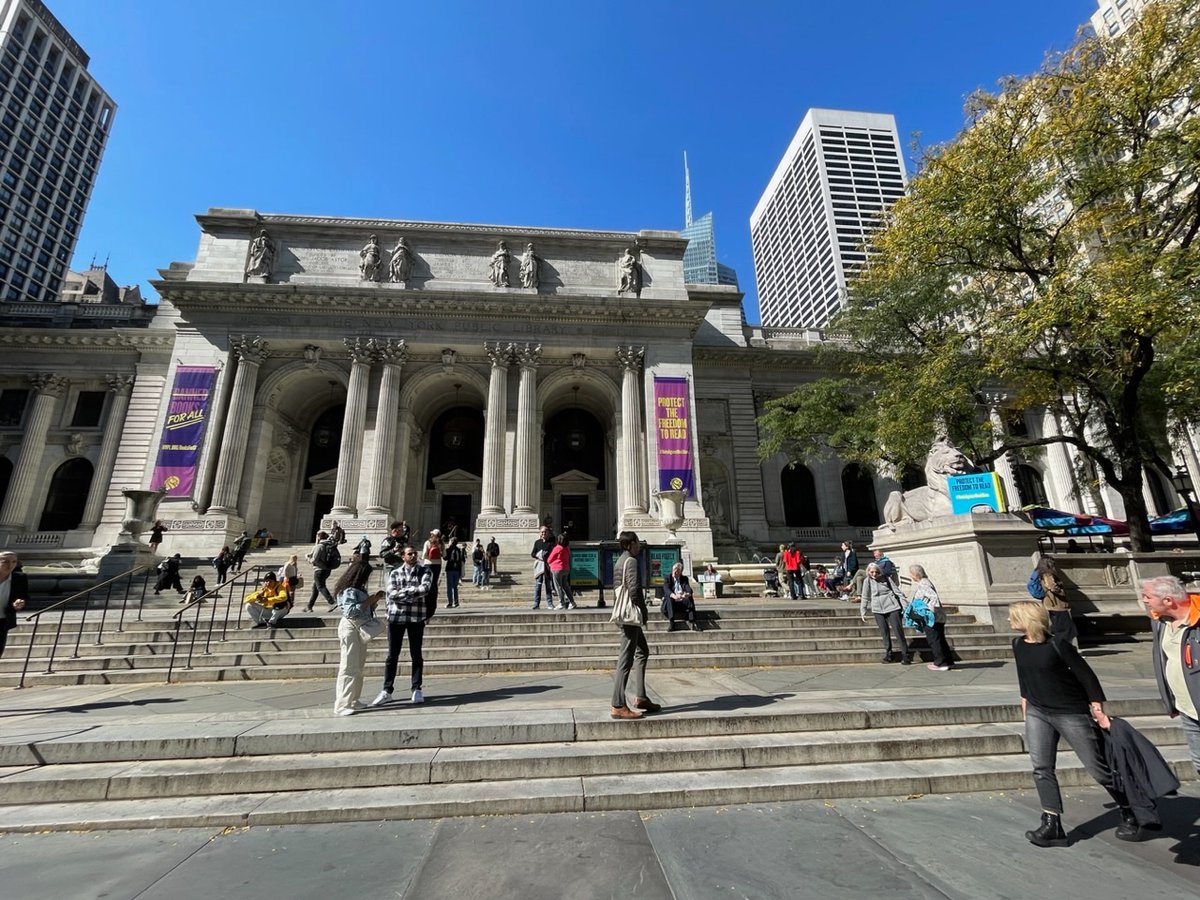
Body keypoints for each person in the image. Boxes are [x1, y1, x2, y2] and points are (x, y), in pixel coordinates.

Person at [1008, 600, 1146, 846]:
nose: (1009, 621)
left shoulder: (1057, 645)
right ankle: (1052, 822)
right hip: (1038, 711)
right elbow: (1023, 673)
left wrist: (1098, 708)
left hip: (1070, 712)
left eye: (1012, 617)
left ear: (1025, 619)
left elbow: (1086, 675)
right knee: (1041, 767)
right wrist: (1025, 699)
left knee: (1098, 769)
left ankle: (1129, 807)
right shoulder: (1018, 644)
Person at [1139, 575, 1200, 777]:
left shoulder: (1196, 621)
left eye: (1147, 596)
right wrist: (1170, 700)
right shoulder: (1161, 622)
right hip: (1186, 708)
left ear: (1168, 600)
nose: (1144, 600)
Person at [371, 546, 433, 706]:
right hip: (396, 618)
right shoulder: (395, 573)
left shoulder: (425, 572)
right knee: (392, 655)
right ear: (403, 556)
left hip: (415, 618)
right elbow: (391, 594)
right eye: (409, 553)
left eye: (415, 553)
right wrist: (413, 592)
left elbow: (425, 589)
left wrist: (403, 594)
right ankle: (386, 690)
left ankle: (417, 688)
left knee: (416, 654)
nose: (413, 556)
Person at [611, 531, 657, 719]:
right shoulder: (631, 561)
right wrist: (642, 611)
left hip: (624, 613)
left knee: (642, 651)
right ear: (630, 544)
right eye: (637, 542)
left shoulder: (620, 560)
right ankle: (618, 704)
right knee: (626, 659)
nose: (639, 546)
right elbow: (634, 589)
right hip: (631, 615)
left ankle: (641, 697)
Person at [332, 557, 385, 716]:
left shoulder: (358, 589)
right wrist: (369, 600)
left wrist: (373, 601)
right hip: (351, 627)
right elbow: (350, 611)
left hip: (359, 626)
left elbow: (364, 608)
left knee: (358, 665)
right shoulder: (349, 590)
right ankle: (342, 704)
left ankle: (353, 699)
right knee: (348, 666)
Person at [860, 562, 911, 664]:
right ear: (868, 572)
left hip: (892, 607)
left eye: (876, 572)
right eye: (872, 572)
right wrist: (863, 610)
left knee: (898, 631)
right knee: (884, 632)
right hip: (878, 609)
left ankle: (905, 654)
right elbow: (865, 596)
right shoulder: (867, 581)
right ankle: (889, 654)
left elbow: (897, 592)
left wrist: (905, 605)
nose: (874, 574)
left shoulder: (886, 578)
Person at [906, 564, 953, 670]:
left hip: (932, 618)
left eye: (911, 574)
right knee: (940, 639)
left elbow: (933, 598)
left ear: (915, 574)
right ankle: (948, 661)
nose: (910, 576)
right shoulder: (926, 582)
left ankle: (940, 663)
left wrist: (929, 611)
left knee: (934, 640)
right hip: (938, 617)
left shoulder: (924, 584)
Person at [1030, 556, 1078, 646]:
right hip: (1056, 604)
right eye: (1052, 562)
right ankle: (1063, 647)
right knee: (1066, 629)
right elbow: (1051, 586)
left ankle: (1062, 646)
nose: (1054, 564)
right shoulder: (1048, 574)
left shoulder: (1041, 573)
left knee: (1060, 627)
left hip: (1051, 604)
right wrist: (1062, 592)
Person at [0, 551, 29, 659]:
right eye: (5, 562)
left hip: (3, 620)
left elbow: (23, 596)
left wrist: (20, 603)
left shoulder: (19, 578)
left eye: (13, 562)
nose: (10, 565)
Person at [661, 561, 697, 631]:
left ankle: (693, 622)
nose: (674, 573)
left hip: (681, 601)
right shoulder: (668, 578)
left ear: (680, 572)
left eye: (676, 571)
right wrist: (674, 595)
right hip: (671, 603)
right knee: (669, 597)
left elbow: (689, 589)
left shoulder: (684, 579)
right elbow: (666, 589)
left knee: (690, 598)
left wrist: (687, 594)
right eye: (673, 570)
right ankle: (672, 622)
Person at [306, 530, 337, 611]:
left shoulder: (319, 546)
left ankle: (332, 602)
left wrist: (308, 558)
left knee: (320, 586)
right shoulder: (329, 545)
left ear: (319, 537)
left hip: (319, 570)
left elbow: (314, 560)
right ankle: (309, 606)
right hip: (327, 569)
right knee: (315, 587)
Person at [530, 525, 558, 609]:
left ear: (548, 533)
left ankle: (549, 603)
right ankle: (536, 604)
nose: (543, 533)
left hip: (548, 566)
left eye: (545, 532)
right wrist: (538, 556)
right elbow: (533, 553)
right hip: (539, 566)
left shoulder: (552, 542)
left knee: (548, 585)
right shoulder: (537, 542)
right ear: (539, 533)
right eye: (542, 532)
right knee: (538, 586)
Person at [548, 534, 576, 610]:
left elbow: (549, 559)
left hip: (556, 568)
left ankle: (561, 603)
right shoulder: (567, 548)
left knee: (558, 587)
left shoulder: (557, 548)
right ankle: (572, 602)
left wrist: (550, 564)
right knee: (566, 586)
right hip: (566, 568)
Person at [422, 529, 444, 609]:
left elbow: (424, 553)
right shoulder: (441, 543)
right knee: (434, 582)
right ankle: (433, 599)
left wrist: (423, 558)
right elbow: (444, 555)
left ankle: (427, 598)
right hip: (437, 564)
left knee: (427, 581)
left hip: (428, 563)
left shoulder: (427, 542)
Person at [443, 536, 464, 608]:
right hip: (457, 570)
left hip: (450, 569)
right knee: (455, 587)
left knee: (449, 587)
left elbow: (445, 558)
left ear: (451, 542)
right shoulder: (459, 550)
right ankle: (456, 601)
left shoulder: (449, 549)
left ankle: (450, 602)